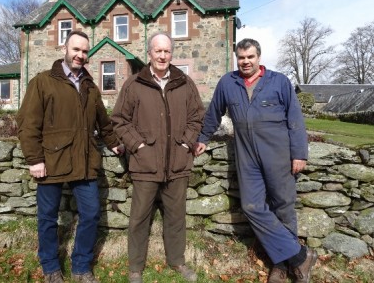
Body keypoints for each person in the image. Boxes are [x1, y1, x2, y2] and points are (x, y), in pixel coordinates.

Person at [193, 38, 317, 283]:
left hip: (278, 153)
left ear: (258, 57)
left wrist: (299, 153)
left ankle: (282, 265)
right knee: (251, 207)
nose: (245, 62)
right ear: (236, 58)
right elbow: (213, 113)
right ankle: (300, 255)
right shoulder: (228, 83)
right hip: (246, 154)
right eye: (241, 57)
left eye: (250, 57)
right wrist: (203, 138)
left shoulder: (279, 81)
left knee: (283, 206)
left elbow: (295, 119)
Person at [17, 30, 124, 283]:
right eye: (76, 49)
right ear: (65, 49)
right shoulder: (42, 82)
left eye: (85, 51)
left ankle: (81, 268)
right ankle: (51, 268)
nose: (80, 55)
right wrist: (34, 160)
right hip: (50, 161)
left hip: (84, 160)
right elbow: (27, 124)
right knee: (47, 218)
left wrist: (115, 145)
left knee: (91, 213)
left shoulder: (90, 86)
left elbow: (104, 123)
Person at [111, 31, 205, 283]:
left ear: (171, 54)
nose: (162, 55)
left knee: (176, 217)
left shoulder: (185, 83)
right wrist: (138, 145)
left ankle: (177, 262)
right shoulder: (134, 84)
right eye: (158, 50)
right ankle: (135, 267)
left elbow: (197, 116)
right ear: (149, 53)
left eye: (166, 51)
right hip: (145, 165)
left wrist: (186, 142)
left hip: (177, 164)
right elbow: (119, 120)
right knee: (139, 218)